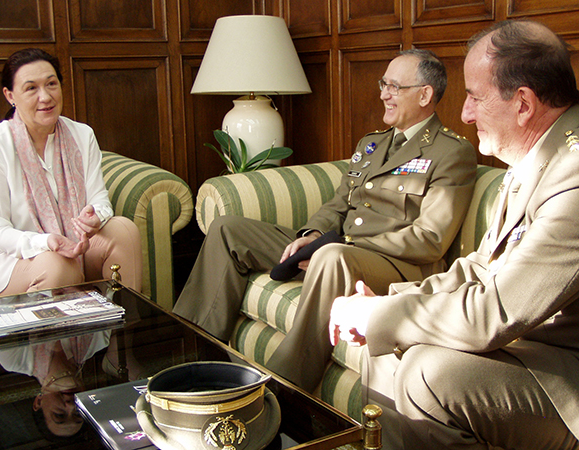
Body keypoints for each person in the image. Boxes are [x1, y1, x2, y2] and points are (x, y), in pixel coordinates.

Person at [330, 19, 579, 449]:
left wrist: (379, 318)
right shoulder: (537, 155)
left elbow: (495, 310)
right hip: (529, 348)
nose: (463, 112)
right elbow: (481, 267)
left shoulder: (572, 174)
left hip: (564, 374)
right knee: (393, 347)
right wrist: (393, 302)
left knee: (428, 372)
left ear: (523, 103)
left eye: (475, 97)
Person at [174, 49, 477, 392]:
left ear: (425, 95)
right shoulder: (372, 144)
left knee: (331, 256)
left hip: (395, 263)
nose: (383, 94)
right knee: (228, 229)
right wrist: (314, 233)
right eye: (383, 84)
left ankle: (280, 389)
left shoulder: (452, 152)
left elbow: (429, 239)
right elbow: (339, 203)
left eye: (394, 87)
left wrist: (340, 244)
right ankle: (189, 356)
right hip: (338, 245)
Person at [0, 48, 142, 297]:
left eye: (51, 84)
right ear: (10, 95)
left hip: (75, 246)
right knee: (58, 265)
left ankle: (121, 329)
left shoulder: (82, 135)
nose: (45, 97)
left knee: (124, 231)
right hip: (11, 258)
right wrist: (45, 242)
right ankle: (45, 335)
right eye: (31, 88)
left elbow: (99, 200)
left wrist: (94, 217)